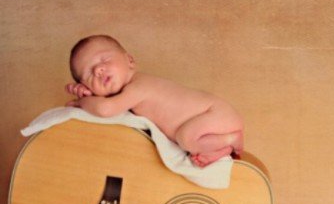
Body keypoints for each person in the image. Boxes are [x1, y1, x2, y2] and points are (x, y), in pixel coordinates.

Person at [65, 35, 243, 167]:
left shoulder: (139, 86)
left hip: (214, 113)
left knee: (186, 139)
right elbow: (108, 105)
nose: (99, 70)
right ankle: (220, 149)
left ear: (130, 61)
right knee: (189, 143)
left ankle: (230, 138)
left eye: (104, 59)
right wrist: (89, 95)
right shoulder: (127, 93)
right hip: (211, 119)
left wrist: (81, 103)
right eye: (89, 74)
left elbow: (105, 109)